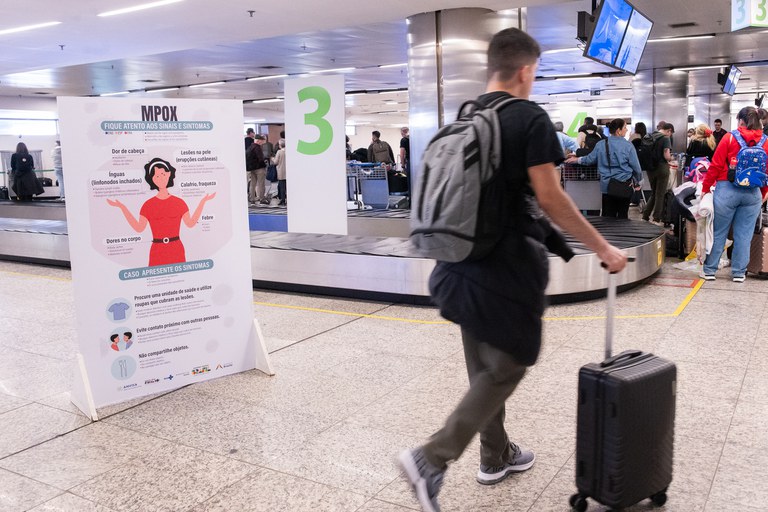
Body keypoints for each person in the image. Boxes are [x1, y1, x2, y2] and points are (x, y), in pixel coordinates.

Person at [397, 27, 628, 512]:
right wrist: (603, 248)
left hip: (456, 265)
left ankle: (495, 455)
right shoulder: (528, 117)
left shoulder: (467, 116)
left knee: (484, 370)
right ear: (526, 70)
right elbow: (551, 197)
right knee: (509, 365)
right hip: (502, 270)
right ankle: (431, 458)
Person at [107, 157, 215, 267]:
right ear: (152, 179)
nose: (161, 179)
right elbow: (139, 228)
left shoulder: (179, 202)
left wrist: (203, 201)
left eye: (163, 174)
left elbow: (190, 223)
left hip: (176, 249)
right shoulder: (148, 205)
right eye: (157, 176)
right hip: (157, 250)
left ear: (169, 174)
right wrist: (122, 207)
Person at [700, 106, 768, 282]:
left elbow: (715, 165)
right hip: (752, 193)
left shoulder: (729, 137)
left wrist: (705, 189)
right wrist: (763, 192)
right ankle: (738, 272)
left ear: (741, 121)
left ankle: (710, 270)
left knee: (719, 232)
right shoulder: (766, 141)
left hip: (727, 190)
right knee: (744, 235)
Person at [566, 118, 642, 218]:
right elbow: (636, 168)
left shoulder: (601, 144)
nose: (626, 130)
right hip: (624, 185)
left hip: (607, 186)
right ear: (618, 131)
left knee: (608, 216)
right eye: (625, 127)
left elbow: (589, 159)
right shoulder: (628, 146)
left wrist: (577, 160)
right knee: (623, 215)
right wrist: (638, 181)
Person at [642, 122, 675, 225]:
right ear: (669, 130)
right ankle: (656, 219)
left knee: (654, 192)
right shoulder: (665, 138)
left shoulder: (649, 136)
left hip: (650, 168)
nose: (670, 135)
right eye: (671, 133)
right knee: (660, 194)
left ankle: (645, 216)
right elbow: (666, 155)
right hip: (662, 168)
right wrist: (671, 158)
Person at [246, 135, 269, 204]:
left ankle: (252, 198)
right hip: (259, 168)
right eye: (262, 141)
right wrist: (264, 164)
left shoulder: (250, 147)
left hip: (252, 169)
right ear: (258, 141)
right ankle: (262, 199)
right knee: (261, 184)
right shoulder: (257, 148)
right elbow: (260, 158)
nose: (262, 142)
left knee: (252, 184)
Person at [274, 138, 287, 205]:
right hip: (288, 172)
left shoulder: (279, 152)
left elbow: (275, 162)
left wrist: (272, 158)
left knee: (282, 187)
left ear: (280, 145)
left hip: (281, 171)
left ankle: (283, 200)